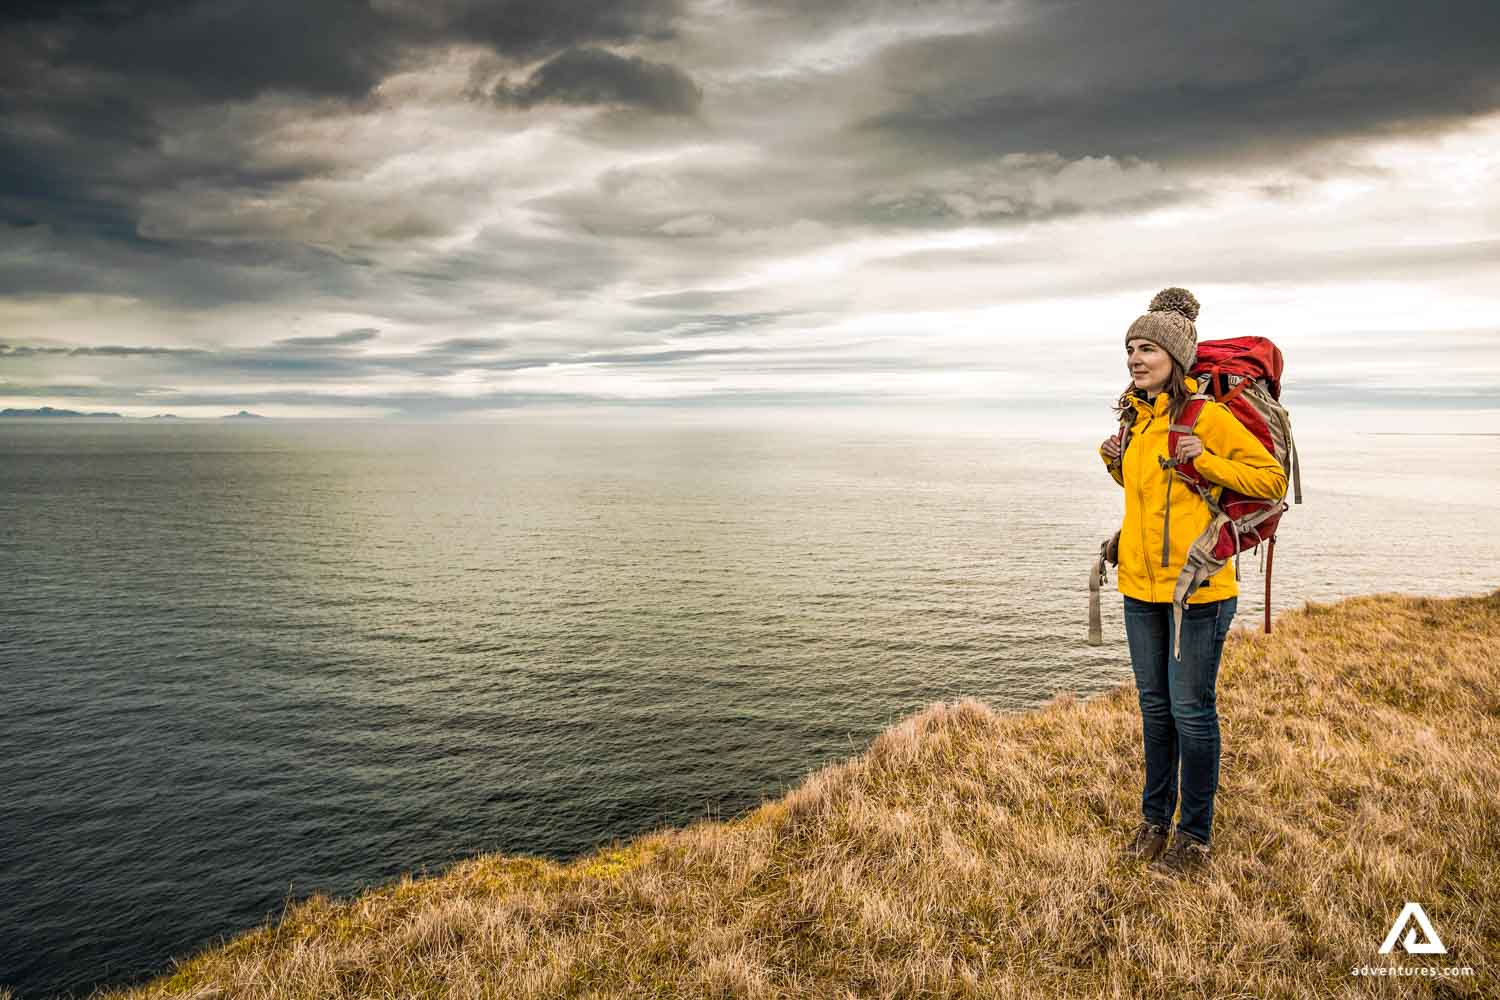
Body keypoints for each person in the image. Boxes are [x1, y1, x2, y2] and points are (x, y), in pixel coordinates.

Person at [1098, 287, 1288, 877]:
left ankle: (1194, 835)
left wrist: (1203, 459)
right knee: (1155, 710)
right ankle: (1154, 822)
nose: (1135, 357)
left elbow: (1269, 480)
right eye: (1130, 347)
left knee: (1192, 712)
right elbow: (1155, 498)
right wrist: (1115, 463)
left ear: (1177, 358)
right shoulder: (1136, 416)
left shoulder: (1207, 417)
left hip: (1199, 592)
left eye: (1147, 347)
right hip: (1140, 587)